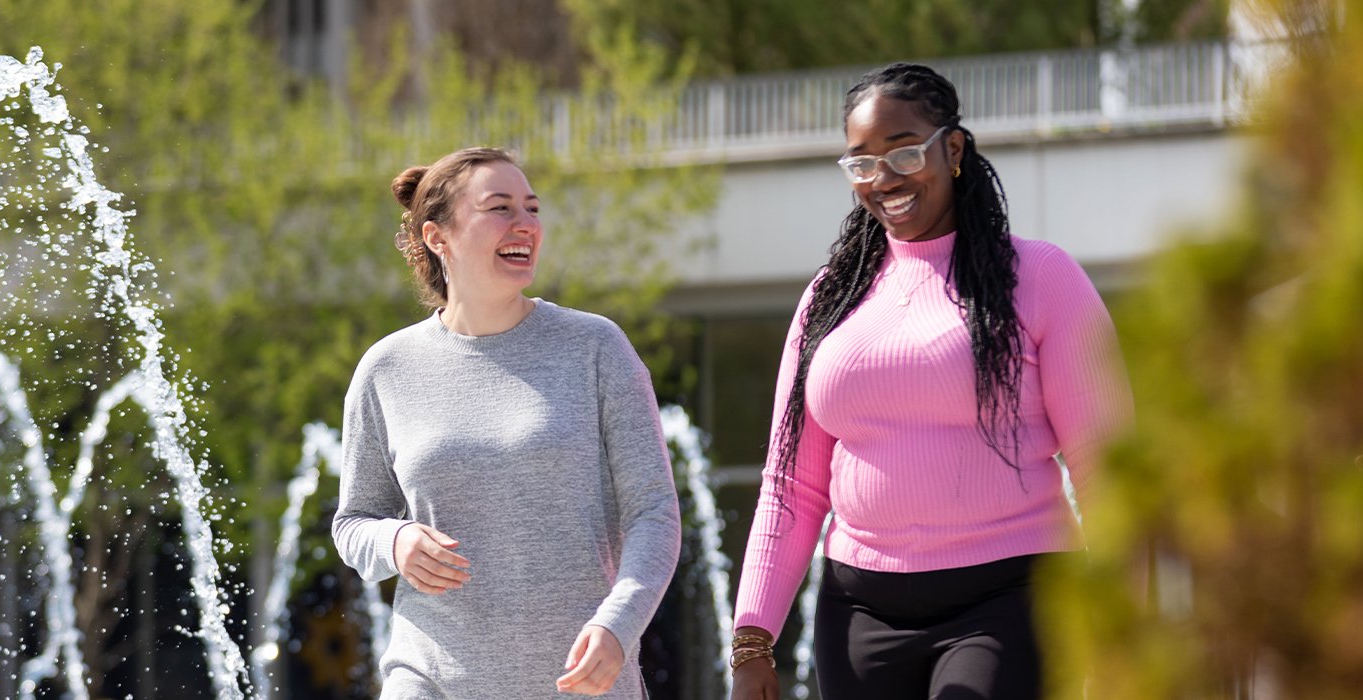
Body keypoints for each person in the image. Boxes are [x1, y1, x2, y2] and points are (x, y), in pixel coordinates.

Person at [728, 63, 1133, 699]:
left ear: (952, 149)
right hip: (859, 610)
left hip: (1011, 600)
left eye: (905, 152)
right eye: (861, 163)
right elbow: (792, 483)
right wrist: (752, 639)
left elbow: (1107, 465)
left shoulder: (1041, 277)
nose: (883, 178)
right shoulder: (828, 300)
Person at [332, 147, 682, 699]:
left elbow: (654, 512)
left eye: (532, 208)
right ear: (437, 237)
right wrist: (394, 540)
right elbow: (354, 520)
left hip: (581, 685)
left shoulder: (596, 348)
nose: (525, 225)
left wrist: (620, 624)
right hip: (429, 678)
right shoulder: (387, 369)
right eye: (499, 208)